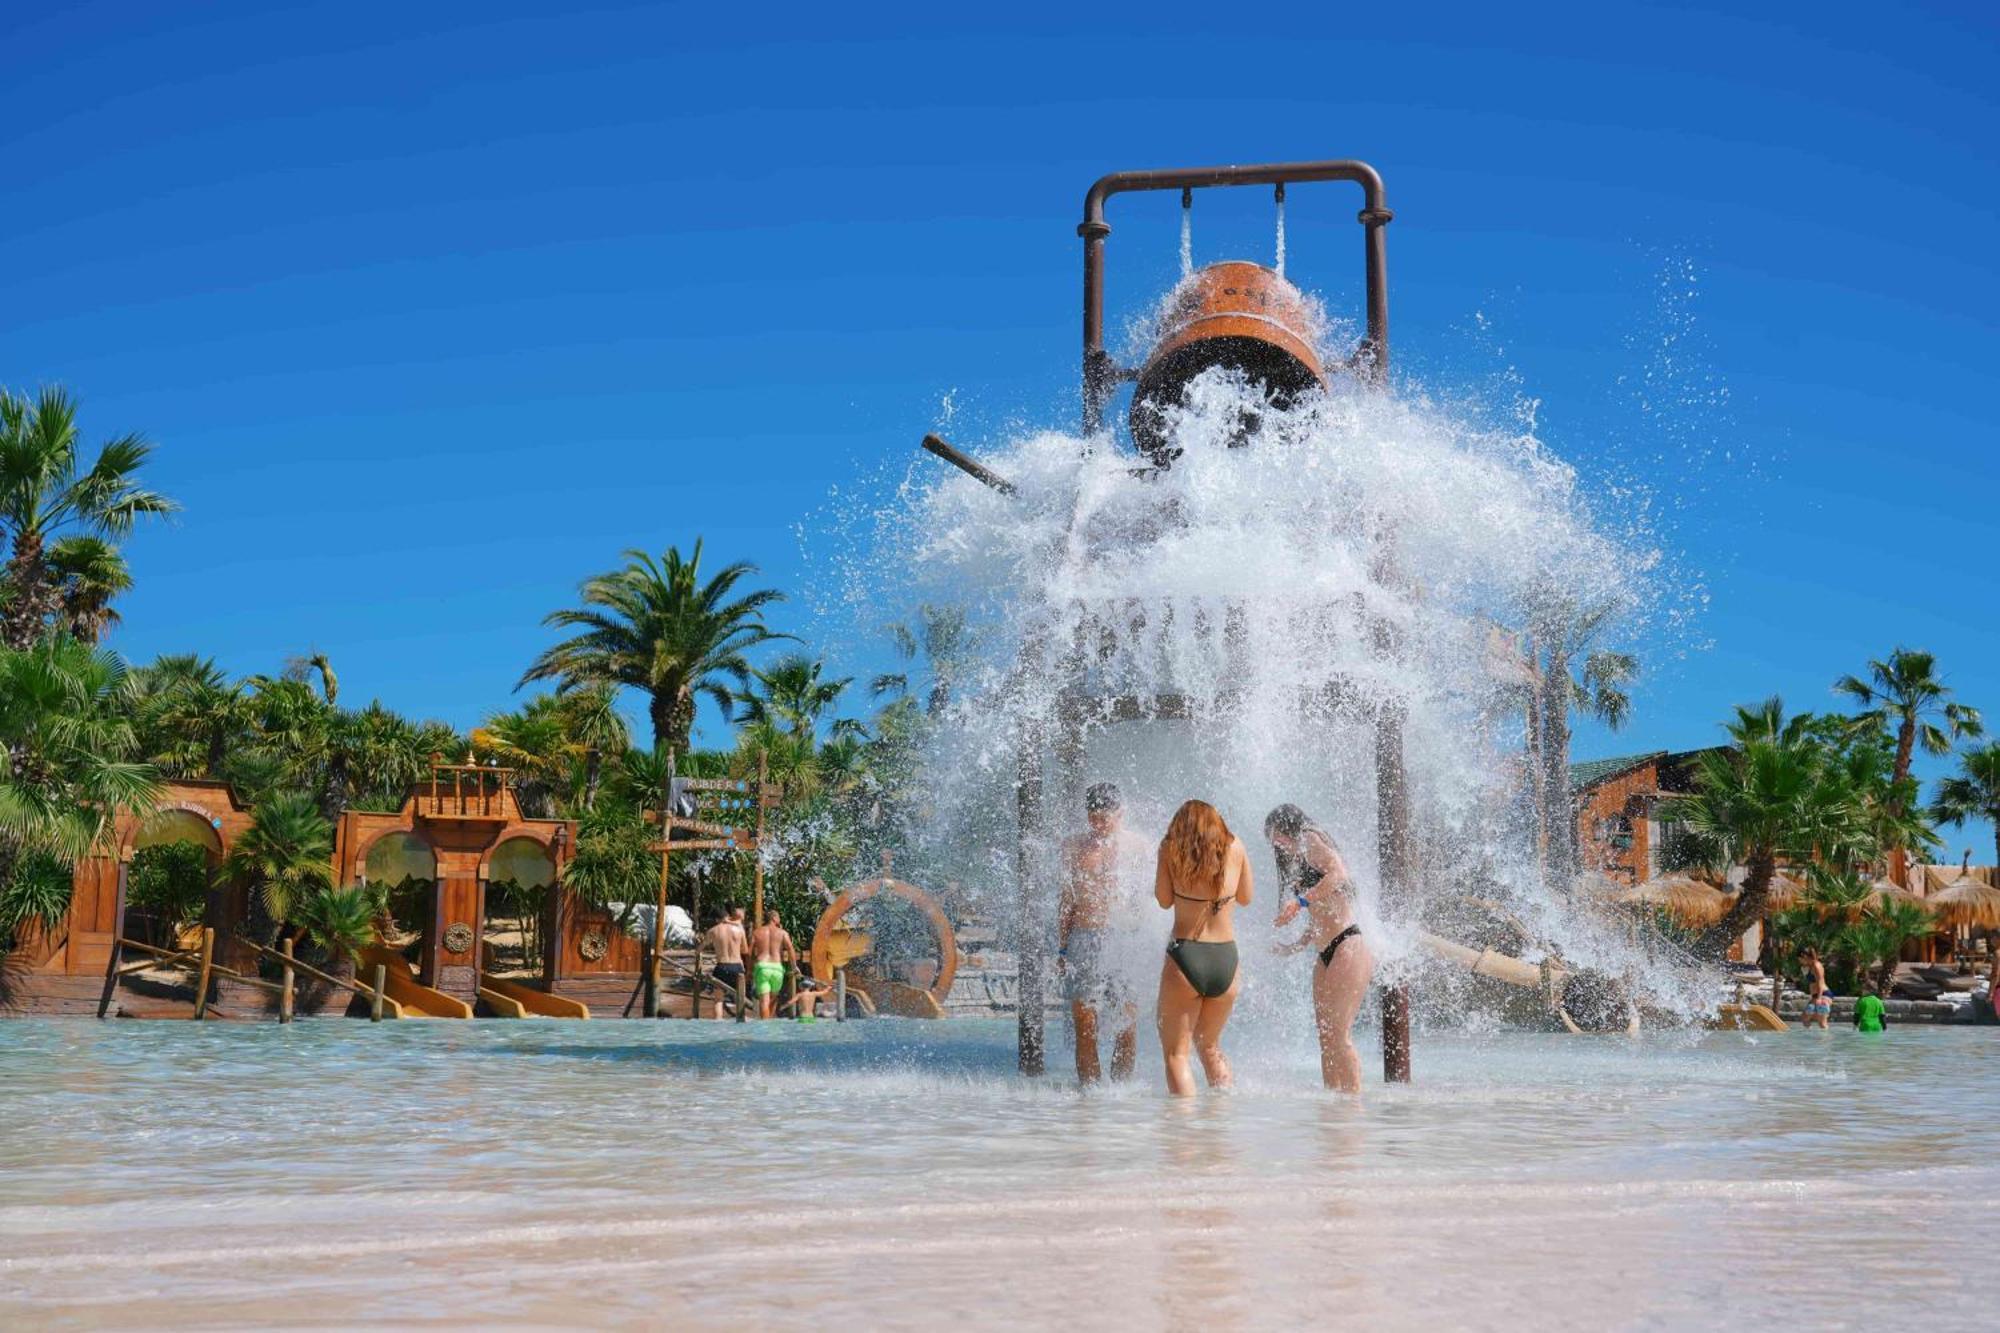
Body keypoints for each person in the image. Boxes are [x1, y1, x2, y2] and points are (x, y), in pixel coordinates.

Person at [1264, 803, 1374, 1094]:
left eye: (1277, 835)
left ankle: (1353, 1105)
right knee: (1325, 1037)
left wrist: (1299, 902)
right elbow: (1318, 918)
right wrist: (1294, 946)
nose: (1277, 844)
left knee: (1339, 1034)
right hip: (1325, 952)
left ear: (1288, 826)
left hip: (1348, 944)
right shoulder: (1301, 858)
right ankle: (1333, 1108)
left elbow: (1338, 873)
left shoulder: (1310, 835)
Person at [1154, 799, 1252, 1096]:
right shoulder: (1236, 847)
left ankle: (1186, 1134)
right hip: (1226, 959)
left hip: (1186, 955)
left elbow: (1163, 899)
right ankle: (1219, 1124)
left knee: (1176, 1054)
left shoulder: (1170, 848)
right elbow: (1246, 898)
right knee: (1209, 1045)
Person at [1058, 782, 1146, 1083]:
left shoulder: (1138, 846)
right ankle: (1090, 1096)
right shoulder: (1073, 845)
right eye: (1092, 818)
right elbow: (1067, 900)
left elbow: (1151, 899)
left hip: (1126, 939)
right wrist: (1061, 948)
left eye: (1104, 819)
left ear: (1120, 814)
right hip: (1085, 935)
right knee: (1084, 1020)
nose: (1098, 825)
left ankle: (1121, 1092)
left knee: (1126, 1020)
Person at [750, 910, 795, 1020]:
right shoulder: (783, 933)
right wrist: (794, 966)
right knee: (774, 998)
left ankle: (765, 1026)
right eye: (778, 917)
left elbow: (749, 952)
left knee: (764, 1000)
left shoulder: (757, 932)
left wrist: (749, 968)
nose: (779, 920)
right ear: (774, 918)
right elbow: (790, 949)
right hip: (777, 967)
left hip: (762, 967)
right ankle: (770, 1024)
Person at [704, 906, 749, 1012]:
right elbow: (745, 951)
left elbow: (700, 948)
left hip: (721, 967)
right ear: (728, 916)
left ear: (716, 919)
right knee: (739, 998)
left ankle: (718, 1024)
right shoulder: (739, 930)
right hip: (737, 966)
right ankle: (741, 1023)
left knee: (718, 1000)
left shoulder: (712, 931)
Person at [1801, 947, 1830, 1030]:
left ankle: (1825, 1042)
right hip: (1815, 996)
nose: (1799, 960)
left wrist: (1819, 998)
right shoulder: (1809, 966)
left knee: (1822, 1023)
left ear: (1805, 956)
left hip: (1822, 995)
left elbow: (1820, 982)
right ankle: (1811, 1040)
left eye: (1801, 957)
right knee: (1805, 1019)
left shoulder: (1816, 966)